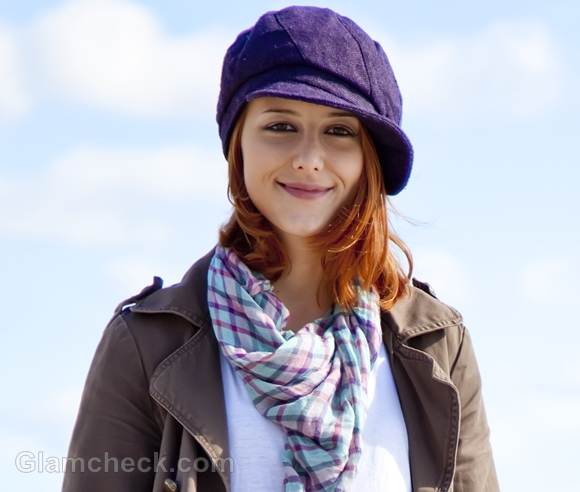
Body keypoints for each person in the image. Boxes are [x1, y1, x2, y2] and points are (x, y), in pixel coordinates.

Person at [62, 5, 499, 492]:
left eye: (339, 131)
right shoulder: (146, 345)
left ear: (368, 157)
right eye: (280, 126)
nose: (310, 159)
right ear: (239, 145)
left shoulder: (436, 343)